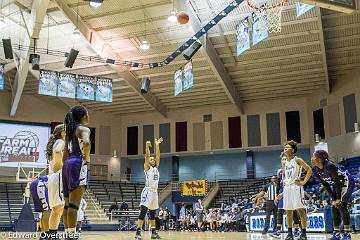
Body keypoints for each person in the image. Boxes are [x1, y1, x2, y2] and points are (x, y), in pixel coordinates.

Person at [311, 150, 355, 240]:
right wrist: (334, 199)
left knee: (341, 205)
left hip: (346, 181)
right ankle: (336, 233)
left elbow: (337, 182)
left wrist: (338, 198)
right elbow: (326, 184)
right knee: (334, 207)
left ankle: (347, 234)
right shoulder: (315, 169)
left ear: (320, 159)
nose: (312, 158)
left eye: (314, 156)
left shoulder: (330, 166)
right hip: (335, 185)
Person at [62, 105, 91, 239]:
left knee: (67, 205)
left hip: (67, 165)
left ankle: (68, 235)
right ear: (83, 116)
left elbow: (65, 153)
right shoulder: (83, 129)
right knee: (74, 205)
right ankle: (73, 236)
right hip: (78, 163)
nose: (89, 116)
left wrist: (66, 167)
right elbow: (86, 143)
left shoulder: (69, 132)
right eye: (87, 114)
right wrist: (87, 159)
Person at [282, 140, 313, 240]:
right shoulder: (284, 161)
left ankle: (304, 234)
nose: (285, 149)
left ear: (293, 149)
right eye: (284, 147)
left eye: (287, 147)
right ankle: (290, 233)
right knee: (288, 211)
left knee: (301, 210)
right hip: (287, 188)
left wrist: (303, 182)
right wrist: (284, 180)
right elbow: (284, 174)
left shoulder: (298, 160)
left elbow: (309, 170)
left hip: (296, 187)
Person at [135, 138, 163, 239]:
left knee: (152, 213)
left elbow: (158, 156)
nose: (152, 160)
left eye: (153, 159)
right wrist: (147, 147)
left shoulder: (156, 168)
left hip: (155, 192)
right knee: (143, 212)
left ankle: (154, 232)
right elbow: (147, 156)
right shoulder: (147, 168)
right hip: (147, 191)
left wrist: (157, 145)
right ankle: (138, 231)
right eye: (151, 159)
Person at [47, 124, 66, 239]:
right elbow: (58, 151)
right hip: (58, 176)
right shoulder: (61, 142)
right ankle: (52, 235)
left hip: (54, 177)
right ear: (62, 132)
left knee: (57, 209)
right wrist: (60, 165)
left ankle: (52, 234)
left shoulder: (56, 142)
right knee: (57, 209)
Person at [30, 175, 50, 239]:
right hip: (41, 184)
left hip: (35, 184)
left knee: (43, 211)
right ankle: (47, 234)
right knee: (48, 210)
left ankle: (43, 234)